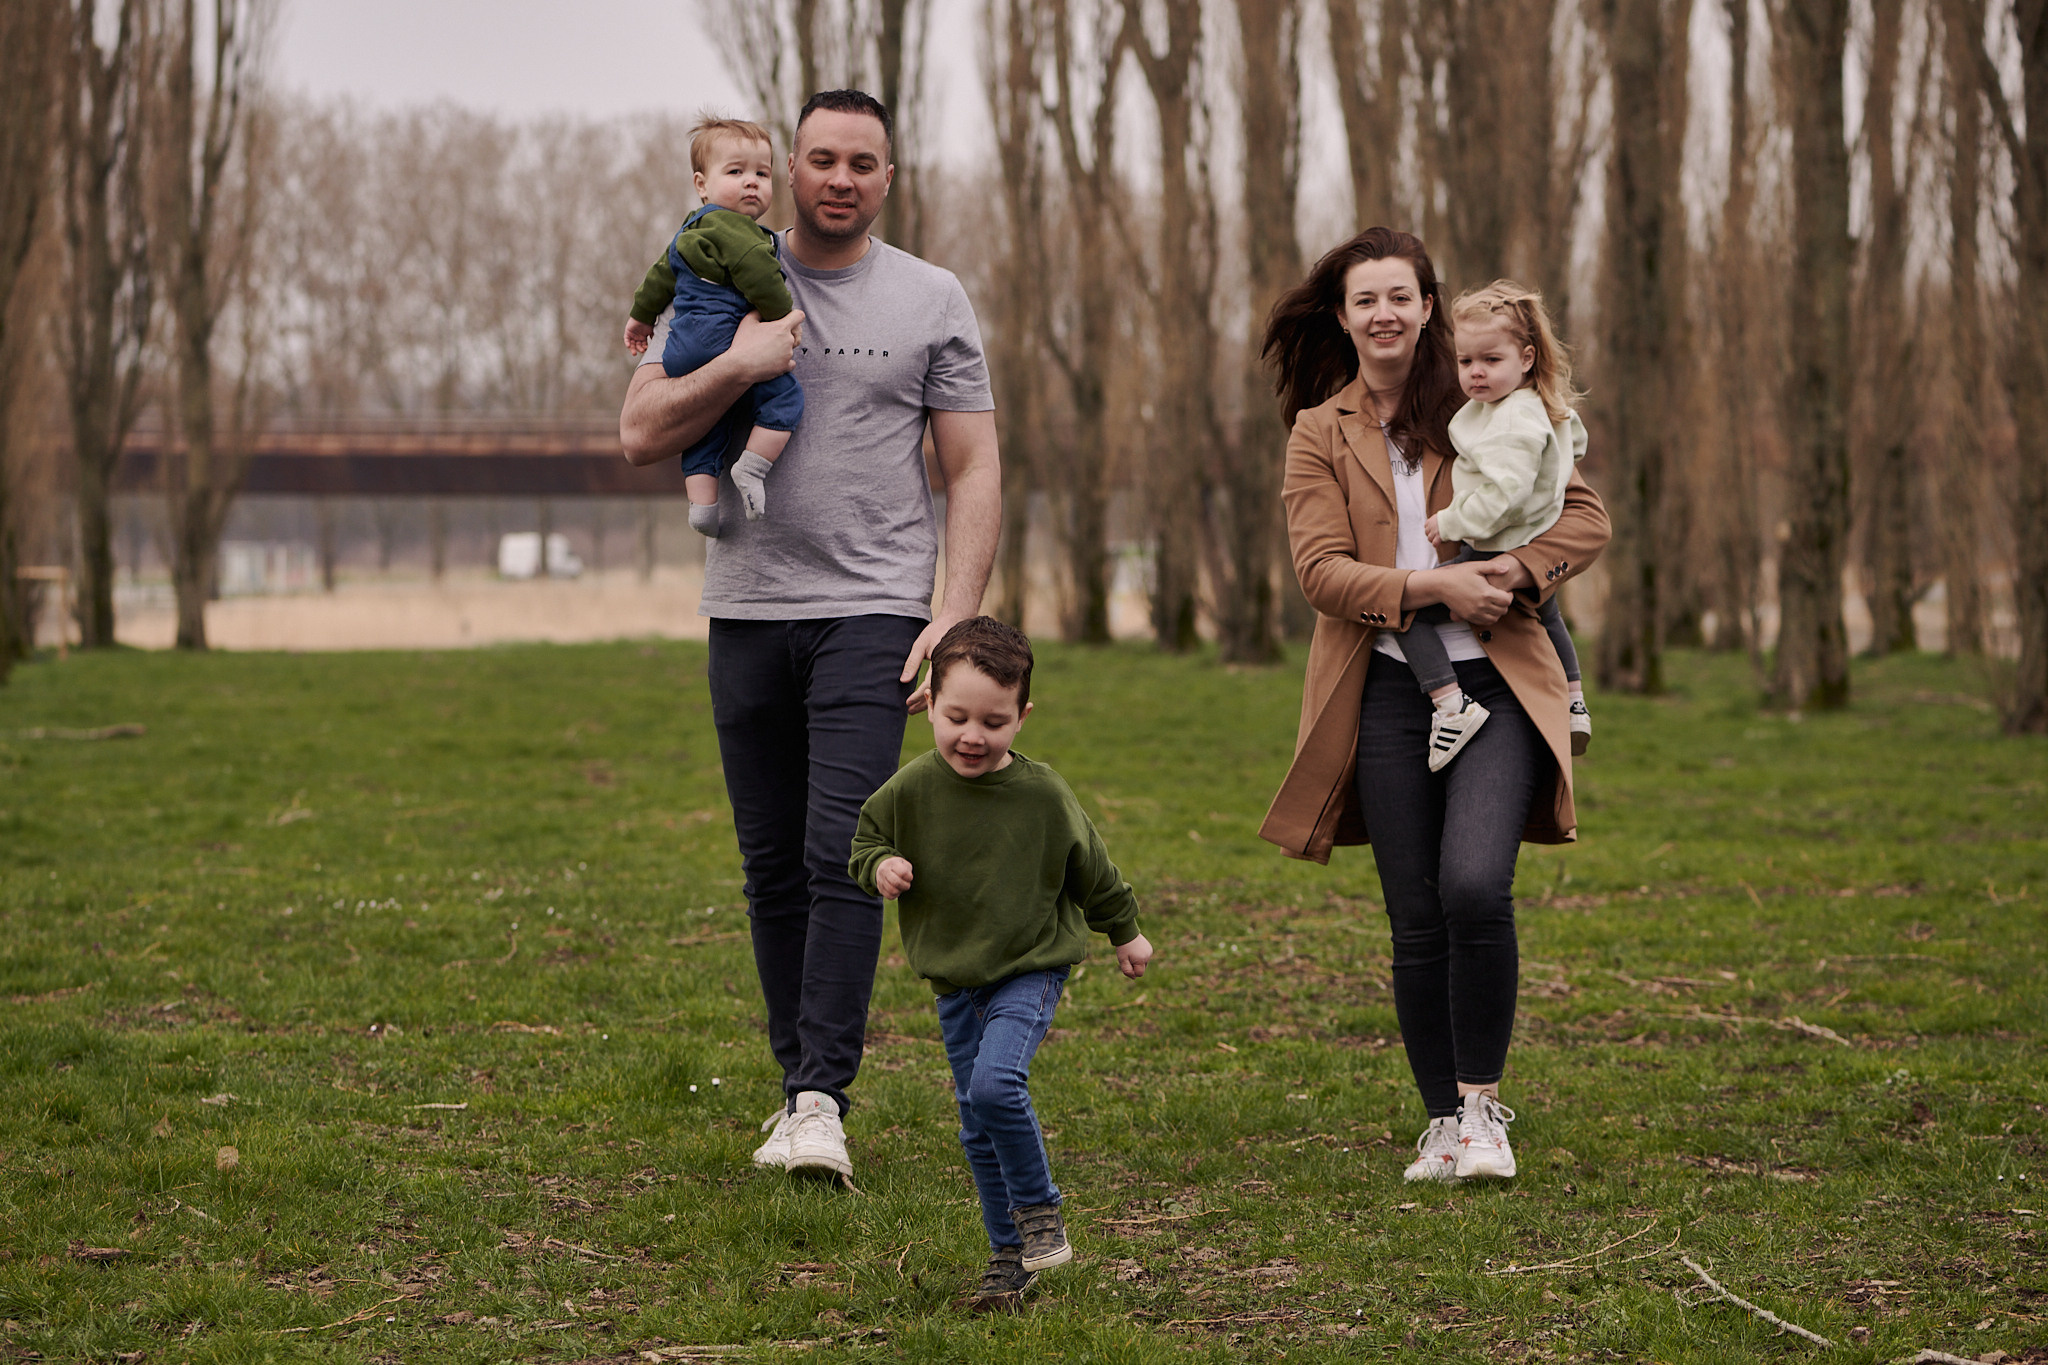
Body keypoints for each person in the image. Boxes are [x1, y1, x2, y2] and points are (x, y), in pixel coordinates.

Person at [618, 89, 1003, 1185]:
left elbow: (972, 468)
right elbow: (639, 434)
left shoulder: (932, 297)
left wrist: (953, 612)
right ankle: (795, 1087)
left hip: (874, 608)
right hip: (743, 601)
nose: (840, 178)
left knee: (843, 849)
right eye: (821, 159)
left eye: (862, 163)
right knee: (769, 863)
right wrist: (740, 362)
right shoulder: (711, 265)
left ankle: (820, 1096)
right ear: (789, 168)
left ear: (890, 177)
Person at [1256, 228, 1610, 1183]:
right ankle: (1442, 1121)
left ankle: (1485, 1106)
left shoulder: (1486, 399)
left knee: (1471, 888)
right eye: (1365, 299)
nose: (1384, 314)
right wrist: (1433, 592)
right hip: (1385, 691)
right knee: (1414, 917)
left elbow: (1584, 516)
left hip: (1496, 684)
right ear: (1344, 315)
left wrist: (1513, 573)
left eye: (1401, 297)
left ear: (1427, 308)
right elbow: (1322, 573)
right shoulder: (1318, 432)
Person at [848, 616, 1153, 1313]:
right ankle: (1007, 1258)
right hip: (956, 978)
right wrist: (882, 866)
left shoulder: (1043, 795)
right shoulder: (911, 789)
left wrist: (1125, 932)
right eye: (956, 716)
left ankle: (1040, 1210)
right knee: (975, 1125)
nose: (972, 735)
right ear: (928, 699)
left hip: (1030, 964)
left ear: (1023, 715)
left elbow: (1094, 870)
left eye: (994, 720)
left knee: (994, 1086)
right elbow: (864, 838)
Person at [1386, 280, 1592, 770]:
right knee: (1549, 612)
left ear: (1525, 357)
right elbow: (1572, 446)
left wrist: (1452, 521)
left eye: (1490, 361)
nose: (1475, 373)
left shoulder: (1512, 421)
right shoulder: (1538, 405)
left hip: (1493, 547)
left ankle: (1451, 706)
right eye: (1466, 362)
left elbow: (1505, 491)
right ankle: (1574, 699)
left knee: (1406, 611)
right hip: (1531, 538)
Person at [622, 118, 802, 539]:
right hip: (722, 338)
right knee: (785, 399)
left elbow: (660, 275)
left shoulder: (691, 228)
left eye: (761, 173)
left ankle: (703, 506)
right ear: (702, 184)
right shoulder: (741, 233)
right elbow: (759, 276)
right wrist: (782, 319)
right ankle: (752, 468)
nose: (751, 183)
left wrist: (640, 317)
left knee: (708, 425)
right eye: (736, 172)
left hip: (683, 350)